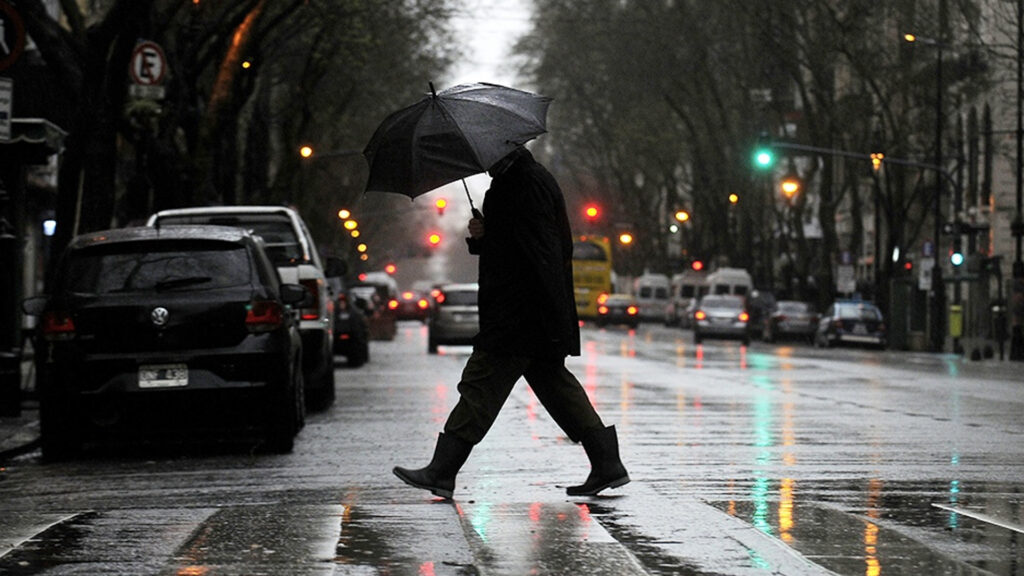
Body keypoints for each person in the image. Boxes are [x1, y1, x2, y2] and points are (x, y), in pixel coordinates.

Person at [393, 146, 629, 499]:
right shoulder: (522, 181)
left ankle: (443, 470)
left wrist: (537, 308)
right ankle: (607, 463)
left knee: (479, 385)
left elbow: (540, 252)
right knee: (557, 389)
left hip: (518, 314)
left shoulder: (523, 184)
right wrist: (483, 238)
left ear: (500, 151)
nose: (481, 162)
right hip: (532, 313)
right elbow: (518, 245)